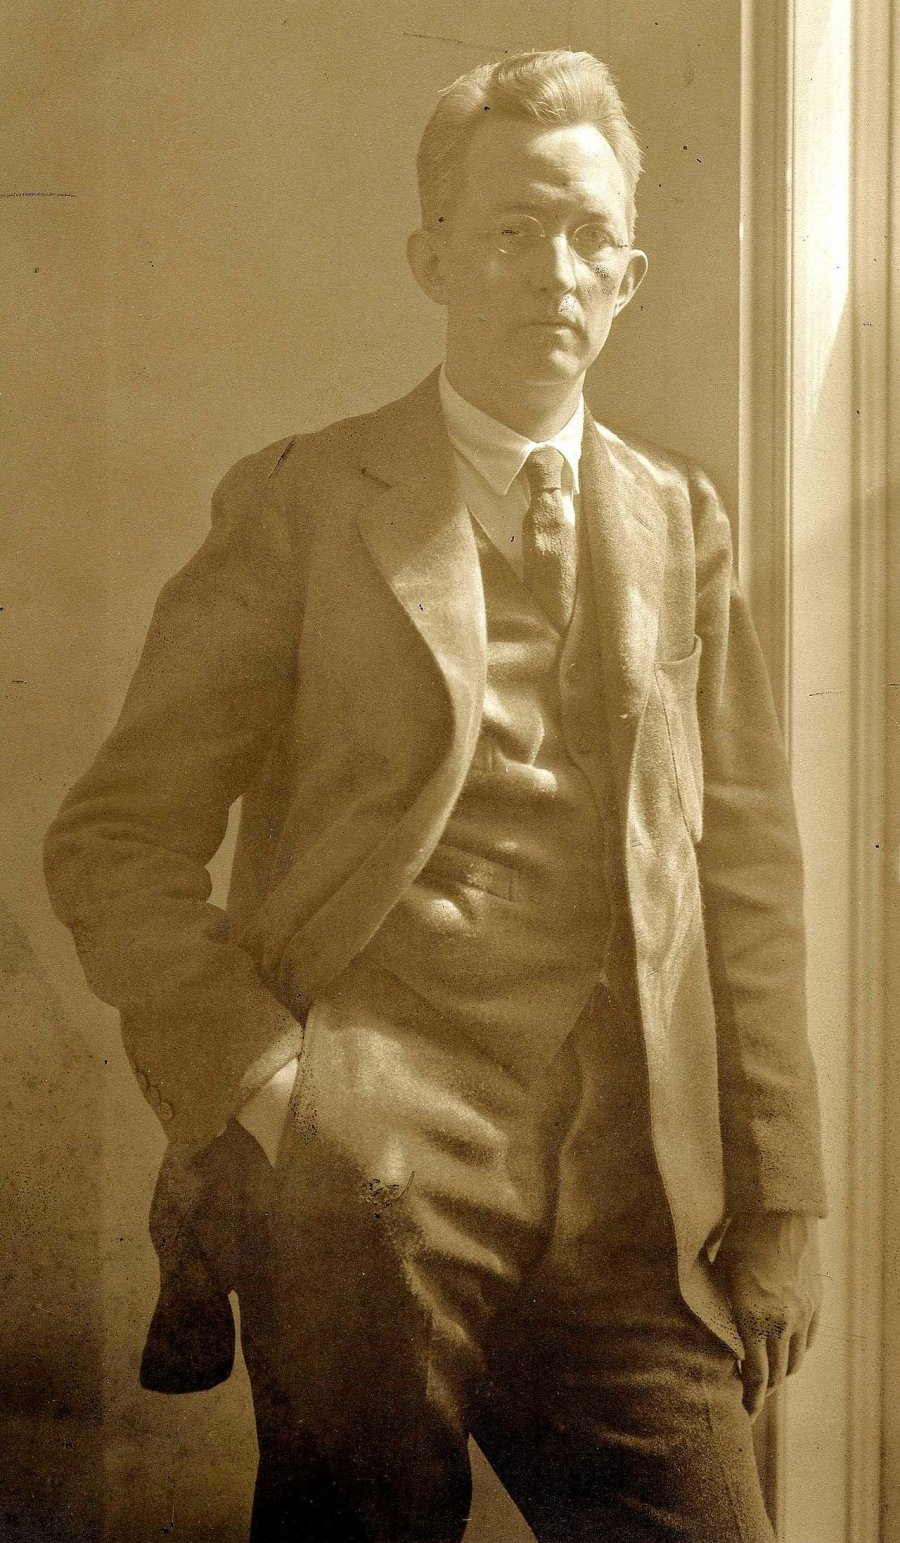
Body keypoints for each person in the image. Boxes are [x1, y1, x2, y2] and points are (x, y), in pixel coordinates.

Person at [44, 48, 826, 1543]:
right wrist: (275, 1093)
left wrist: (778, 1192)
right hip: (367, 1188)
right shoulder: (303, 502)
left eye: (591, 237)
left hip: (629, 1197)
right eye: (514, 229)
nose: (556, 272)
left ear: (632, 275)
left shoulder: (681, 522)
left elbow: (748, 871)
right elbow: (116, 842)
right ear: (433, 257)